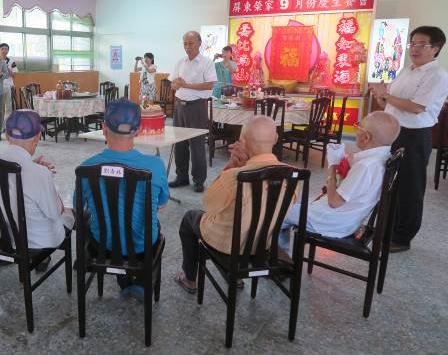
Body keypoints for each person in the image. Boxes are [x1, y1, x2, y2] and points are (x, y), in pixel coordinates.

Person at [175, 116, 288, 294]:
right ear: (275, 139)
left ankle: (189, 277)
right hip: (262, 244)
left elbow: (209, 204)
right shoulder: (294, 176)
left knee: (190, 218)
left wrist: (232, 165)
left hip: (228, 245)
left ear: (242, 141)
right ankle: (234, 277)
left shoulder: (235, 176)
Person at [77, 99, 169, 301]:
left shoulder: (86, 167)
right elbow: (161, 203)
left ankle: (122, 279)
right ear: (138, 130)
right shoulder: (154, 166)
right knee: (153, 222)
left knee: (88, 220)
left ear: (103, 128)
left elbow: (78, 205)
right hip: (142, 247)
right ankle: (141, 282)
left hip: (103, 245)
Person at [370, 26, 448, 252]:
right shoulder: (407, 71)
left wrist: (386, 94)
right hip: (394, 132)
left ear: (435, 48)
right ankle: (387, 228)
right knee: (390, 183)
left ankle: (402, 237)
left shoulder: (438, 76)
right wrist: (380, 95)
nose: (414, 49)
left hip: (414, 136)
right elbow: (390, 104)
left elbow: (416, 108)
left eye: (421, 44)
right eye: (412, 44)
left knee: (410, 188)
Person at [279, 111, 401, 249]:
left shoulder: (365, 166)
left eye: (358, 127)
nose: (356, 131)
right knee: (291, 200)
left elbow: (334, 202)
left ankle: (275, 257)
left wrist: (332, 166)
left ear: (366, 137)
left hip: (333, 221)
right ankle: (279, 252)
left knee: (275, 211)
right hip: (349, 218)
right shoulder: (383, 156)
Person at [0, 110, 74, 250]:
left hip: (7, 237)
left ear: (7, 135)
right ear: (38, 137)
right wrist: (46, 177)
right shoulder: (39, 173)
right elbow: (55, 213)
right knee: (70, 215)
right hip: (40, 240)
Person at [168, 31, 217, 192]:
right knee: (180, 144)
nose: (187, 47)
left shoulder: (206, 63)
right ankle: (181, 176)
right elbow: (173, 83)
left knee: (196, 145)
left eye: (191, 43)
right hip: (180, 107)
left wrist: (185, 85)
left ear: (199, 43)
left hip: (196, 107)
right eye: (185, 44)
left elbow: (209, 85)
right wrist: (176, 85)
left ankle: (198, 180)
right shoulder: (180, 62)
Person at [0, 43, 18, 129]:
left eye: (6, 49)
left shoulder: (11, 61)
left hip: (9, 87)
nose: (4, 51)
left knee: (9, 108)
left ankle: (7, 126)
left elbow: (14, 75)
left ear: (8, 51)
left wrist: (8, 70)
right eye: (2, 49)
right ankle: (0, 127)